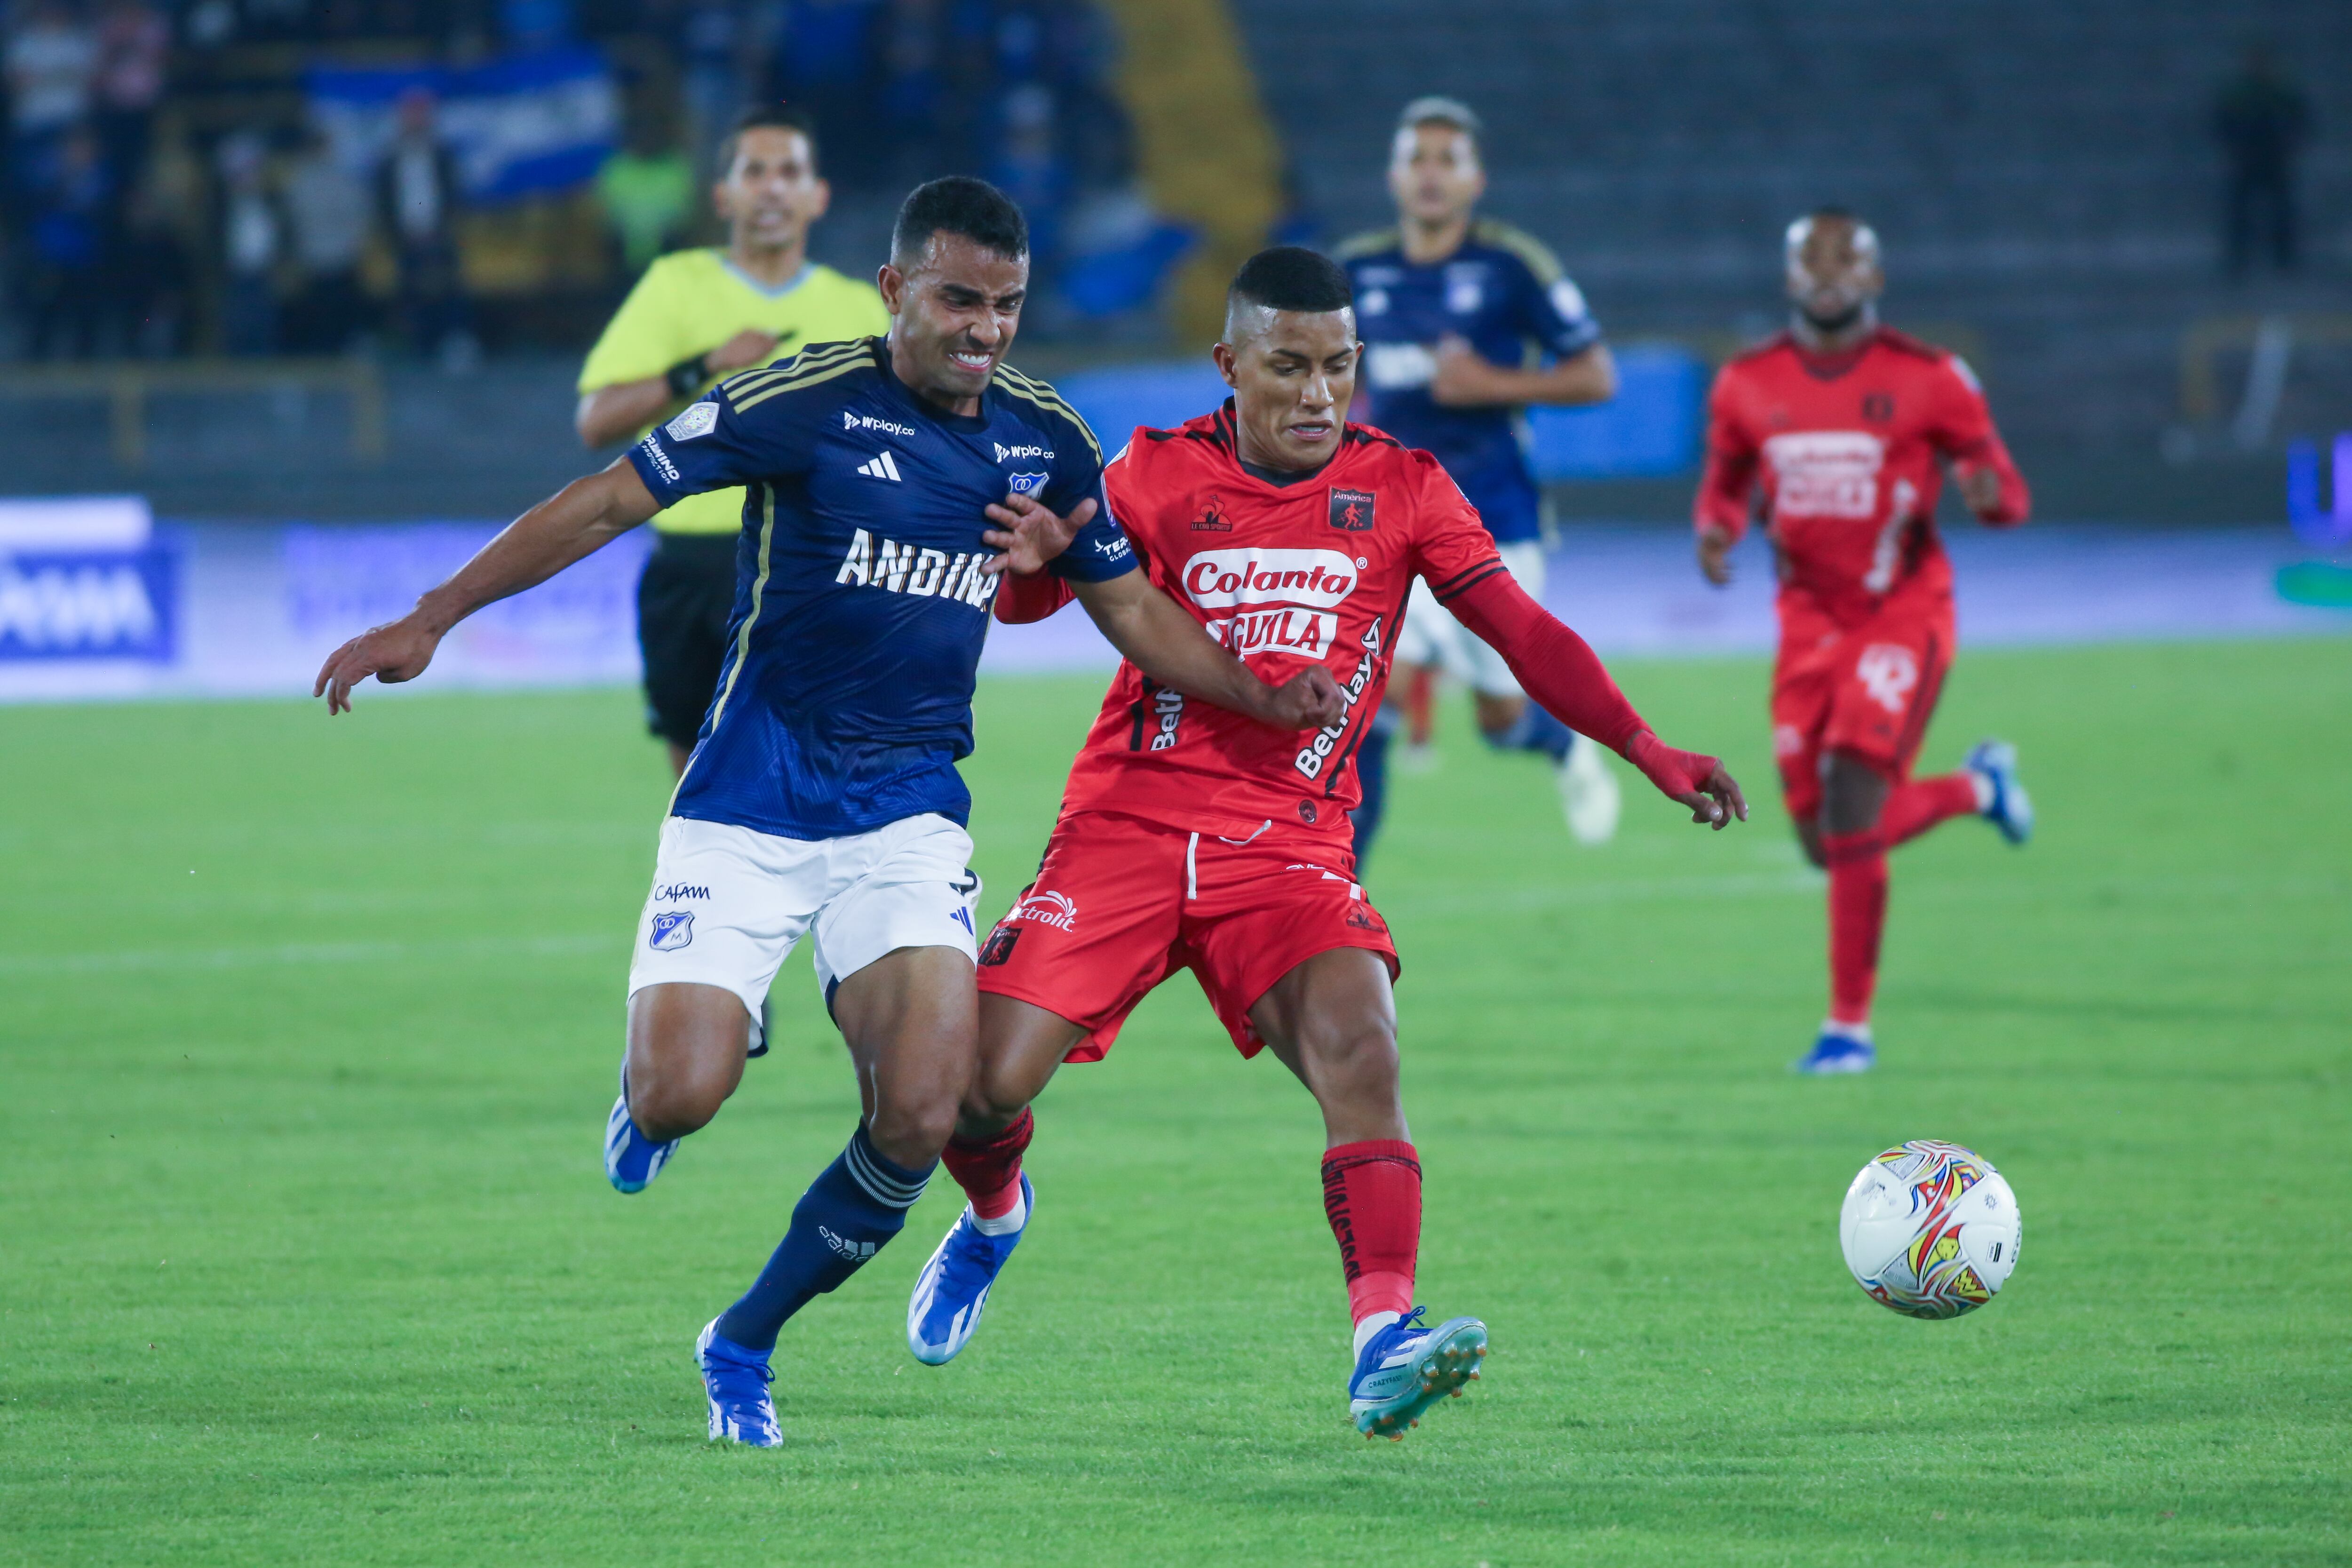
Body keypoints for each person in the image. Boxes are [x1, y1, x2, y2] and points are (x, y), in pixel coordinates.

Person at [313, 178, 1345, 1448]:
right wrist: (432, 617)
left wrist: (1258, 691)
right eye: (960, 298)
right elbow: (606, 498)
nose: (985, 330)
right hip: (751, 796)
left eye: (1008, 305)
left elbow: (1128, 612)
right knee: (686, 1091)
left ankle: (742, 1341)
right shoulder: (795, 401)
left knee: (921, 1110)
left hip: (906, 812)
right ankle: (651, 1099)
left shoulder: (1043, 437)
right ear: (895, 290)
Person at [901, 247, 1745, 1441]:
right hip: (1126, 830)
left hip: (1288, 849)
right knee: (977, 1091)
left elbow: (1523, 630)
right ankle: (994, 1218)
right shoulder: (1152, 471)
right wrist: (1037, 565)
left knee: (1364, 1048)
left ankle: (1381, 1338)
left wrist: (1645, 747)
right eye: (1288, 366)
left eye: (1337, 368)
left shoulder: (1404, 487)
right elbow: (1037, 594)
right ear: (1229, 364)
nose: (1315, 394)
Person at [1693, 209, 2034, 1076]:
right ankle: (1976, 788)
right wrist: (1717, 527)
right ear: (1789, 277)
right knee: (1822, 839)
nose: (1830, 271)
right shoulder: (1746, 382)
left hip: (1901, 613)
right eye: (1813, 257)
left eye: (1849, 257)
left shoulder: (1933, 378)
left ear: (1878, 278)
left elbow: (2005, 497)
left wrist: (1990, 493)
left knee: (1852, 801)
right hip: (1806, 622)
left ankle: (1848, 1028)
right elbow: (1727, 481)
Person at [1336, 96, 1622, 856]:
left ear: (1476, 180)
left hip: (1492, 519)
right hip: (1387, 524)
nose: (1431, 175)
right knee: (1367, 701)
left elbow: (1597, 374)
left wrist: (1491, 383)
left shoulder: (1511, 267)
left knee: (1501, 720)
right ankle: (1338, 892)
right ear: (1394, 176)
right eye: (1417, 158)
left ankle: (1562, 745)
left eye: (1447, 160)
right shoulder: (1356, 270)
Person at [576, 104, 889, 776]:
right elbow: (597, 420)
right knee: (696, 773)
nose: (772, 187)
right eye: (754, 172)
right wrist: (700, 366)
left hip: (819, 562)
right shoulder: (675, 285)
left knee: (823, 766)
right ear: (723, 196)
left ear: (818, 195)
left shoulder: (859, 307)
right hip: (695, 560)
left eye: (789, 172)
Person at [373, 86, 470, 365]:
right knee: (412, 292)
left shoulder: (442, 155)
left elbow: (453, 194)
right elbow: (385, 201)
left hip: (439, 233)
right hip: (406, 236)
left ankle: (452, 342)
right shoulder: (390, 160)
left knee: (448, 288)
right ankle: (421, 347)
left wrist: (442, 228)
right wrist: (399, 233)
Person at [2213, 44, 2311, 279]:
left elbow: (2302, 117)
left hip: (2275, 157)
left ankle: (2284, 259)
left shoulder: (2281, 91)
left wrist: (2292, 143)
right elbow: (2221, 121)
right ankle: (2240, 258)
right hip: (2246, 158)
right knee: (2241, 211)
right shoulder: (2237, 92)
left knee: (2282, 210)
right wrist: (2231, 146)